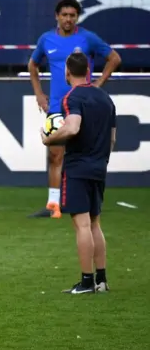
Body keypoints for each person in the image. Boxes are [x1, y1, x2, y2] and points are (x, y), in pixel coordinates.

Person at [28, 0, 121, 219]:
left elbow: (114, 58)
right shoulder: (46, 39)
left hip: (83, 104)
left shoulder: (88, 38)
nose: (68, 19)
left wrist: (97, 84)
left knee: (84, 152)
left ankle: (85, 201)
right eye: (64, 15)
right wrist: (39, 93)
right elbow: (33, 64)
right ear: (57, 17)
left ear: (77, 17)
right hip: (58, 105)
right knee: (55, 155)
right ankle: (53, 205)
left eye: (72, 15)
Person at [40, 52, 115, 294]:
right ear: (89, 72)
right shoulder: (106, 98)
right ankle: (101, 280)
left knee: (82, 224)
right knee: (95, 223)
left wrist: (48, 138)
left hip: (78, 166)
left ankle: (85, 282)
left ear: (67, 72)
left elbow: (72, 127)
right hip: (99, 166)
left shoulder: (71, 96)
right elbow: (112, 139)